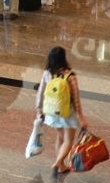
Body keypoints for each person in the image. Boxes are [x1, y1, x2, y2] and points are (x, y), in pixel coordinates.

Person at [35, 46, 87, 175]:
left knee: (60, 136)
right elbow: (75, 98)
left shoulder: (47, 73)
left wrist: (39, 109)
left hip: (51, 112)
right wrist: (81, 116)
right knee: (69, 139)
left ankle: (61, 166)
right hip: (67, 112)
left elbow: (40, 92)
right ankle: (58, 162)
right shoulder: (70, 76)